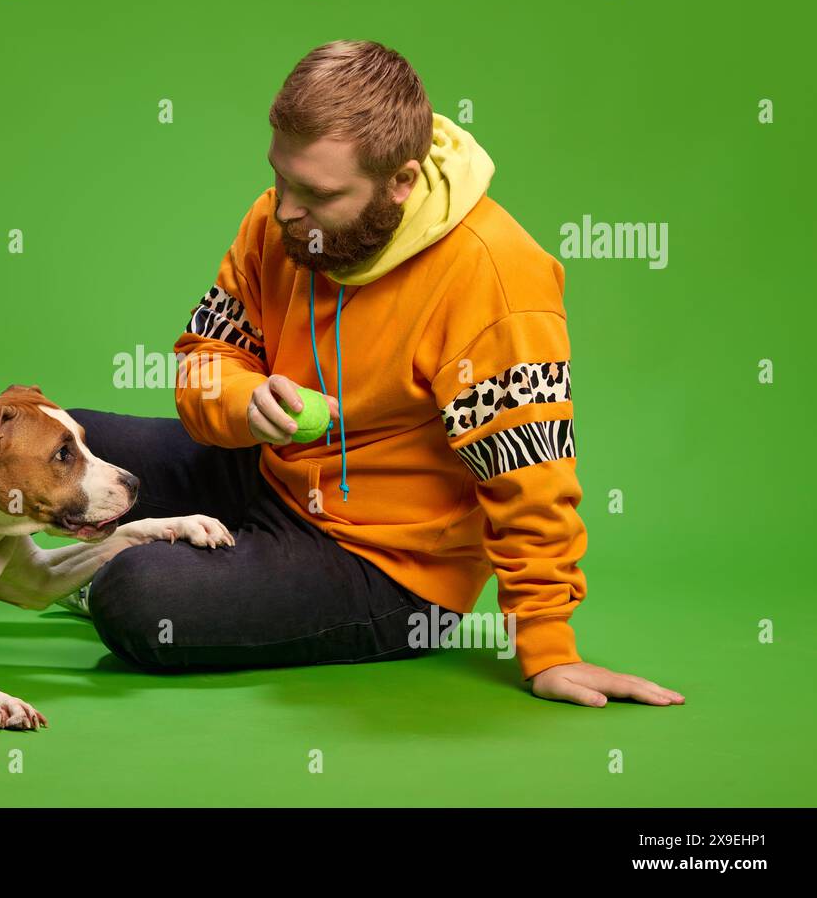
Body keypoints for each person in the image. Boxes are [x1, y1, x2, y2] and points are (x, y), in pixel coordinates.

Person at [64, 40, 683, 709]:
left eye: (318, 193)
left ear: (402, 181)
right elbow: (206, 355)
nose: (284, 211)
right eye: (281, 178)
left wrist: (547, 642)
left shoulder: (494, 274)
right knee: (62, 439)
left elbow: (528, 470)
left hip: (385, 565)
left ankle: (116, 571)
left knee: (139, 596)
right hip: (272, 469)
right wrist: (245, 403)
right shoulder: (282, 222)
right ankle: (176, 555)